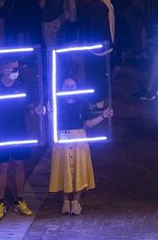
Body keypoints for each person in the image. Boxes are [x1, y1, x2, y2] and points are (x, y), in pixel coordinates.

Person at [48, 78, 113, 215]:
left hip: (79, 138)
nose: (70, 88)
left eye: (72, 86)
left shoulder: (82, 104)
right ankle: (66, 201)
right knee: (64, 169)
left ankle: (76, 202)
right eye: (67, 86)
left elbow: (88, 123)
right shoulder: (55, 103)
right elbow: (50, 120)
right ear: (62, 88)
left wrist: (103, 116)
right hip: (62, 139)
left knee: (79, 170)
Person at [0, 60, 38, 219]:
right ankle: (1, 202)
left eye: (16, 68)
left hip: (19, 132)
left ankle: (19, 201)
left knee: (20, 165)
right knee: (2, 167)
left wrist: (36, 109)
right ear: (3, 69)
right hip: (1, 133)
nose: (14, 70)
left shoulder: (22, 86)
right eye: (11, 67)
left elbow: (29, 108)